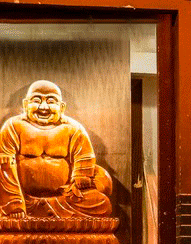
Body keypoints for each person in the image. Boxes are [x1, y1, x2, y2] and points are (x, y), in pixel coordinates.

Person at [0, 80, 113, 218]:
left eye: (51, 101)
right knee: (2, 163)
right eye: (36, 100)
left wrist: (81, 175)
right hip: (22, 199)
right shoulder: (13, 126)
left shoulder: (73, 128)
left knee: (102, 204)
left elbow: (85, 156)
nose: (43, 107)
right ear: (25, 104)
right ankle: (15, 206)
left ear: (62, 107)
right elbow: (4, 164)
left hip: (64, 200)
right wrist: (14, 202)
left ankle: (46, 210)